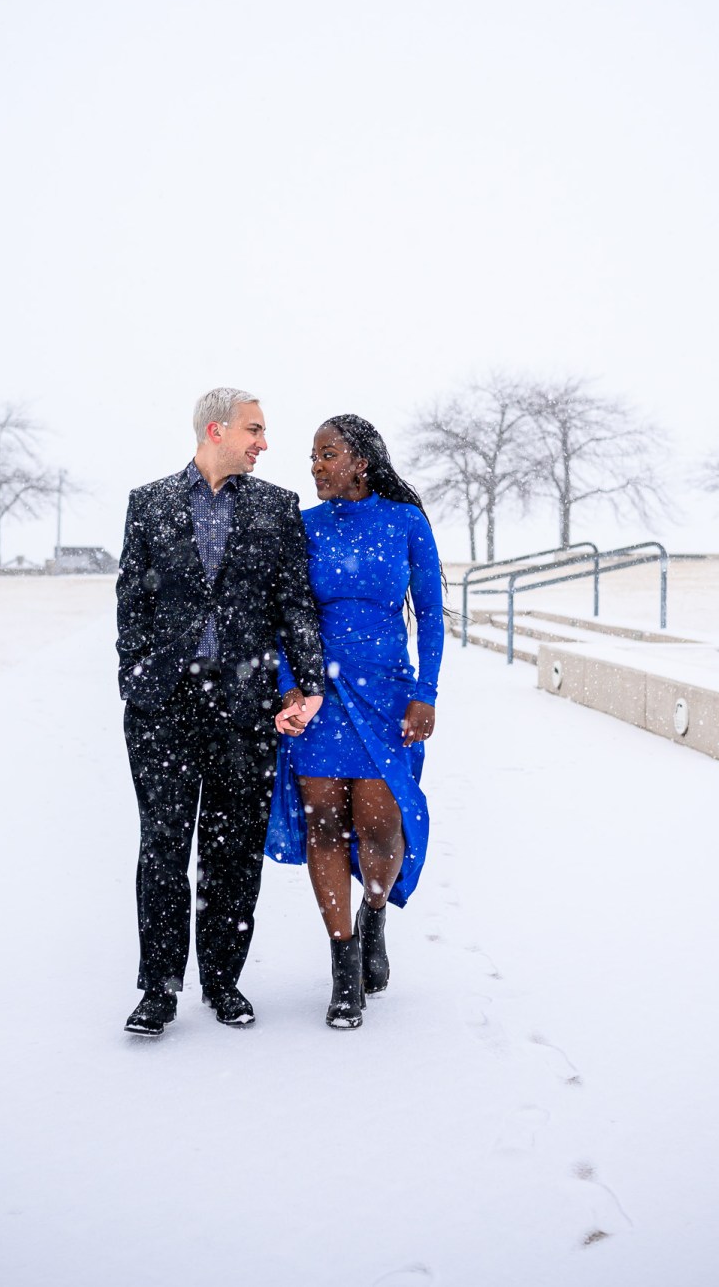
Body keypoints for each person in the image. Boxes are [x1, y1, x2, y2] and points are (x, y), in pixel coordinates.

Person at [116, 388, 325, 1037]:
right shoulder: (148, 505)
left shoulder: (276, 507)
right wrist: (141, 686)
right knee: (163, 850)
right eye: (254, 430)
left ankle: (223, 982)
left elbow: (295, 605)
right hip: (163, 714)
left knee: (233, 855)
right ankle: (158, 990)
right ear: (217, 429)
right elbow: (132, 610)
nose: (264, 443)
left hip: (244, 710)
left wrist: (309, 684)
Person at [266, 414, 444, 1028]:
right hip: (320, 700)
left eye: (327, 454)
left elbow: (431, 613)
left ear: (360, 461)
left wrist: (427, 691)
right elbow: (284, 615)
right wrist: (291, 689)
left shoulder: (404, 522)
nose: (315, 465)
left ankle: (374, 913)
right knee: (323, 828)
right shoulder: (303, 527)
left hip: (388, 694)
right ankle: (343, 968)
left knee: (379, 828)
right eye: (312, 456)